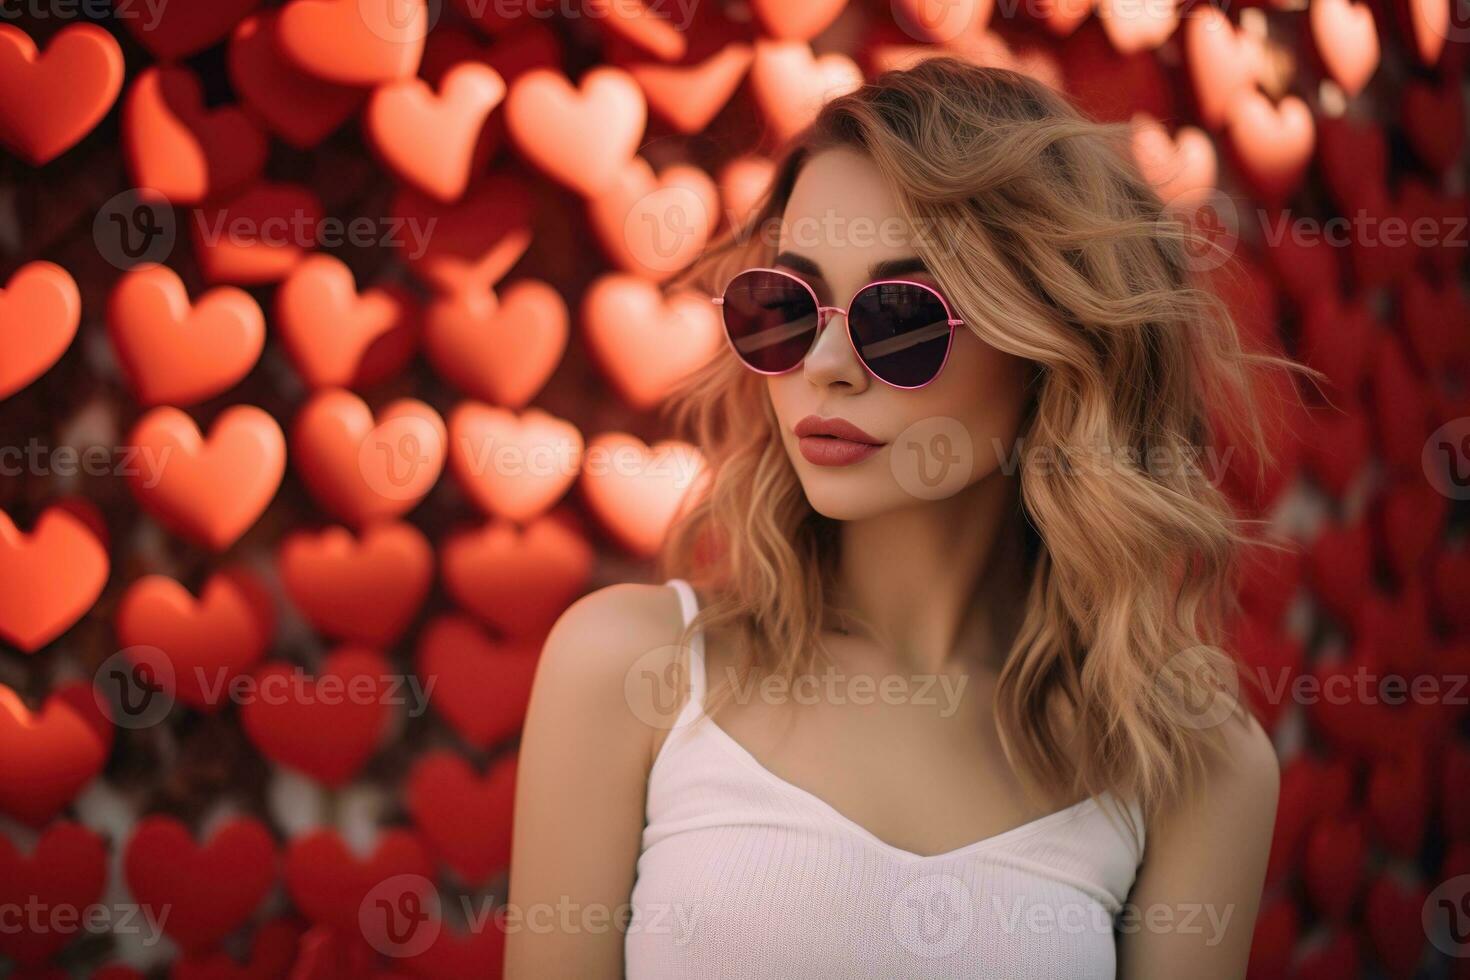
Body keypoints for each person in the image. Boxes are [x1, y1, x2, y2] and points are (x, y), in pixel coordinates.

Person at [506, 56, 1283, 979]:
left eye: (902, 317)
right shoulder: (632, 670)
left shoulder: (1190, 765)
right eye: (784, 306)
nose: (825, 364)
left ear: (1054, 353)